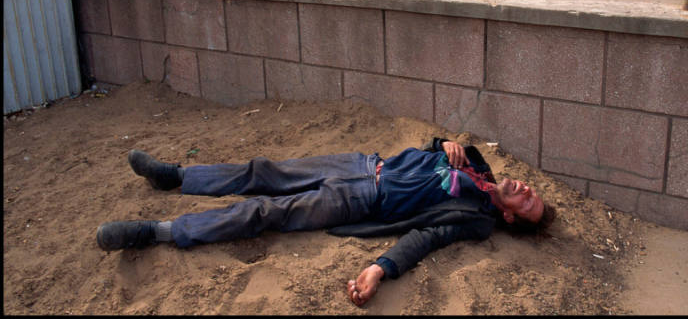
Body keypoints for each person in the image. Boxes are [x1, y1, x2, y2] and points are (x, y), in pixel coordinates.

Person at [95, 137, 555, 307]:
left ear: (510, 221)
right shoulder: (478, 166)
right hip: (359, 163)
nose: (527, 191)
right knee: (263, 172)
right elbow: (428, 152)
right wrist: (445, 142)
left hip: (362, 198)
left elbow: (426, 237)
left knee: (267, 213)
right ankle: (174, 177)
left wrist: (380, 268)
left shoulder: (475, 219)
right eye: (534, 192)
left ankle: (155, 232)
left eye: (529, 205)